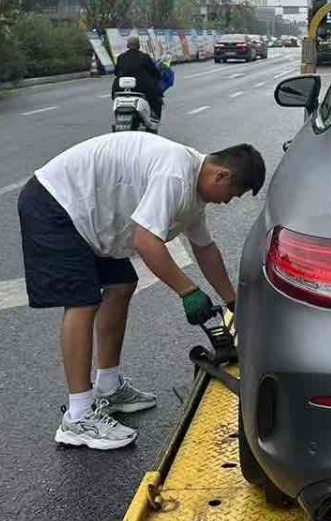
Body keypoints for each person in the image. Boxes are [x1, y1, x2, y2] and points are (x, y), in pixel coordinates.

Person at [18, 132, 265, 450]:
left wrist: (233, 302)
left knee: (122, 284)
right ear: (222, 175)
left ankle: (108, 386)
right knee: (81, 301)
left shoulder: (192, 188)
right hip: (57, 203)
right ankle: (78, 418)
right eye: (232, 193)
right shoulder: (176, 173)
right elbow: (146, 241)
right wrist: (188, 291)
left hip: (89, 215)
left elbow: (205, 249)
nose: (227, 201)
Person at [113, 35, 164, 123]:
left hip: (121, 89)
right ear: (139, 46)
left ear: (127, 46)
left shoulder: (121, 57)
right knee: (157, 98)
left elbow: (116, 72)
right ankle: (154, 117)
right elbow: (155, 72)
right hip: (142, 88)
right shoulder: (145, 57)